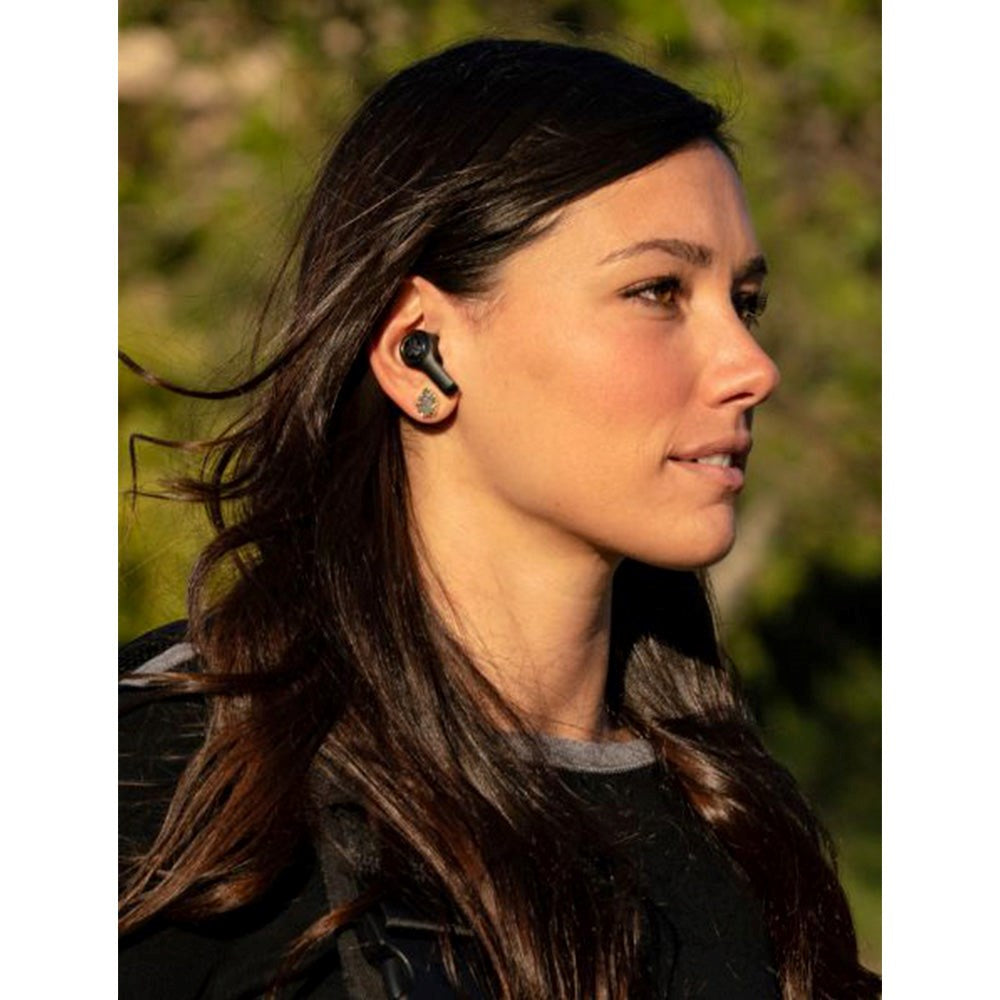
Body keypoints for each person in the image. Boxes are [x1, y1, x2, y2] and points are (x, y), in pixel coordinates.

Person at [119, 37, 880, 1000]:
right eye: (657, 292)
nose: (752, 367)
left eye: (746, 301)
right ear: (423, 350)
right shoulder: (183, 778)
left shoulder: (738, 825)